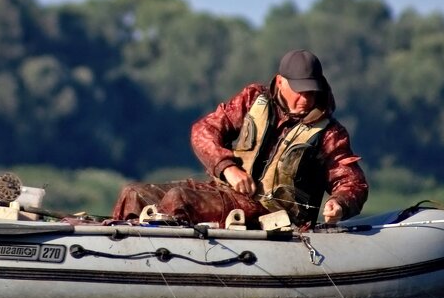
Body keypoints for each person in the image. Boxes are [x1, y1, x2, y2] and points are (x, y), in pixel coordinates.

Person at [112, 49, 369, 228]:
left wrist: (339, 203)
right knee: (133, 193)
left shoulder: (330, 133)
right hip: (227, 192)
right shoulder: (252, 99)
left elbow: (352, 182)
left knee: (180, 199)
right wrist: (228, 168)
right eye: (299, 91)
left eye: (312, 92)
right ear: (280, 82)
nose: (306, 99)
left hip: (273, 212)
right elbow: (203, 130)